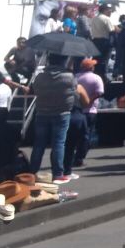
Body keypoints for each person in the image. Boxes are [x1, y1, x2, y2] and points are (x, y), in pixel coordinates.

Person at [29, 53, 77, 183]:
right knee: (58, 143)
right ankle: (57, 173)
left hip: (42, 112)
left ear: (49, 62)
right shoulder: (69, 76)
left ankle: (32, 172)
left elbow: (34, 90)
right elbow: (75, 91)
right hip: (62, 113)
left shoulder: (40, 77)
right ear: (64, 61)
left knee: (39, 144)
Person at [70, 58, 104, 167]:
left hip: (76, 109)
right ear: (91, 67)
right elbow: (99, 92)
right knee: (86, 135)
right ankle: (79, 157)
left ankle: (73, 156)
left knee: (74, 135)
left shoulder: (75, 77)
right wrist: (89, 100)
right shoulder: (96, 78)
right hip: (90, 111)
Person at [88, 3, 118, 78]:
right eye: (109, 10)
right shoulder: (106, 19)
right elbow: (112, 31)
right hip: (104, 42)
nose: (110, 11)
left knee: (96, 60)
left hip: (95, 41)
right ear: (104, 10)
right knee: (104, 61)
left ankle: (94, 75)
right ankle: (103, 78)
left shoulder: (94, 18)